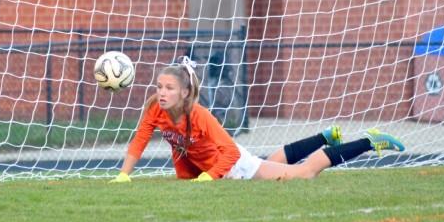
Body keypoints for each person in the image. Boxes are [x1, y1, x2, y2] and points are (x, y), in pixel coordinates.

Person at [110, 56, 405, 182]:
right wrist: (124, 175)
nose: (161, 92)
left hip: (235, 165)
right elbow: (140, 141)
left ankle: (368, 141)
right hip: (229, 167)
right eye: (159, 86)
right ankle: (323, 138)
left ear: (185, 92)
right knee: (274, 163)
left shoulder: (199, 116)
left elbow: (231, 152)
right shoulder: (155, 109)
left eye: (169, 88)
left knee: (304, 174)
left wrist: (209, 177)